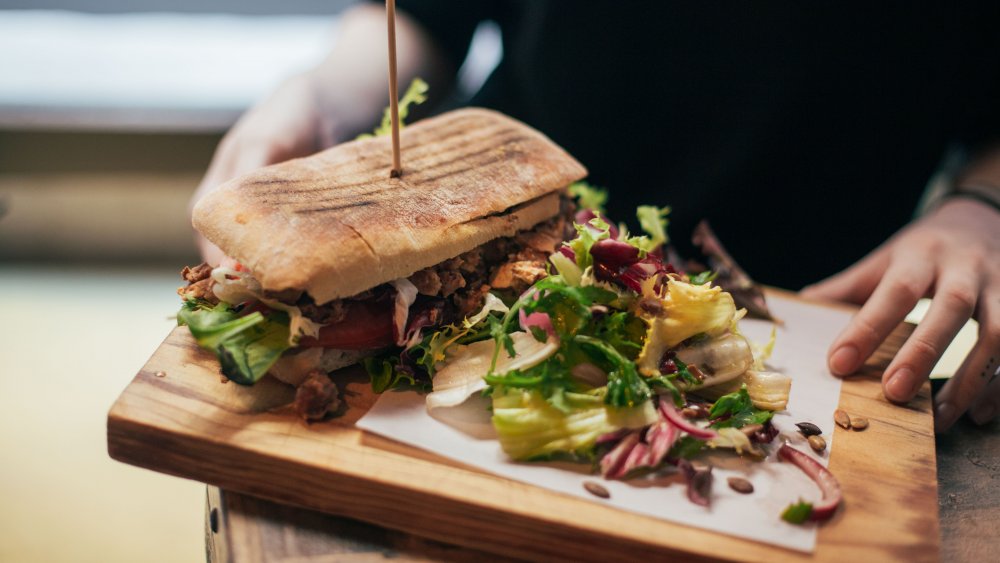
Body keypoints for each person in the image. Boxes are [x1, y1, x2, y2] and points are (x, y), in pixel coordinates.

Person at [191, 2, 1000, 432]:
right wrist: (321, 93)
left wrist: (981, 206)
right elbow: (418, 19)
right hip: (497, 207)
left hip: (823, 317)